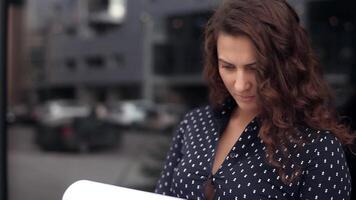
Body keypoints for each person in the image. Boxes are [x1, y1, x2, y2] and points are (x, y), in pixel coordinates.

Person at [154, 0, 354, 199]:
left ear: (286, 65)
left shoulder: (318, 149)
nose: (240, 85)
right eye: (228, 67)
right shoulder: (196, 123)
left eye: (255, 69)